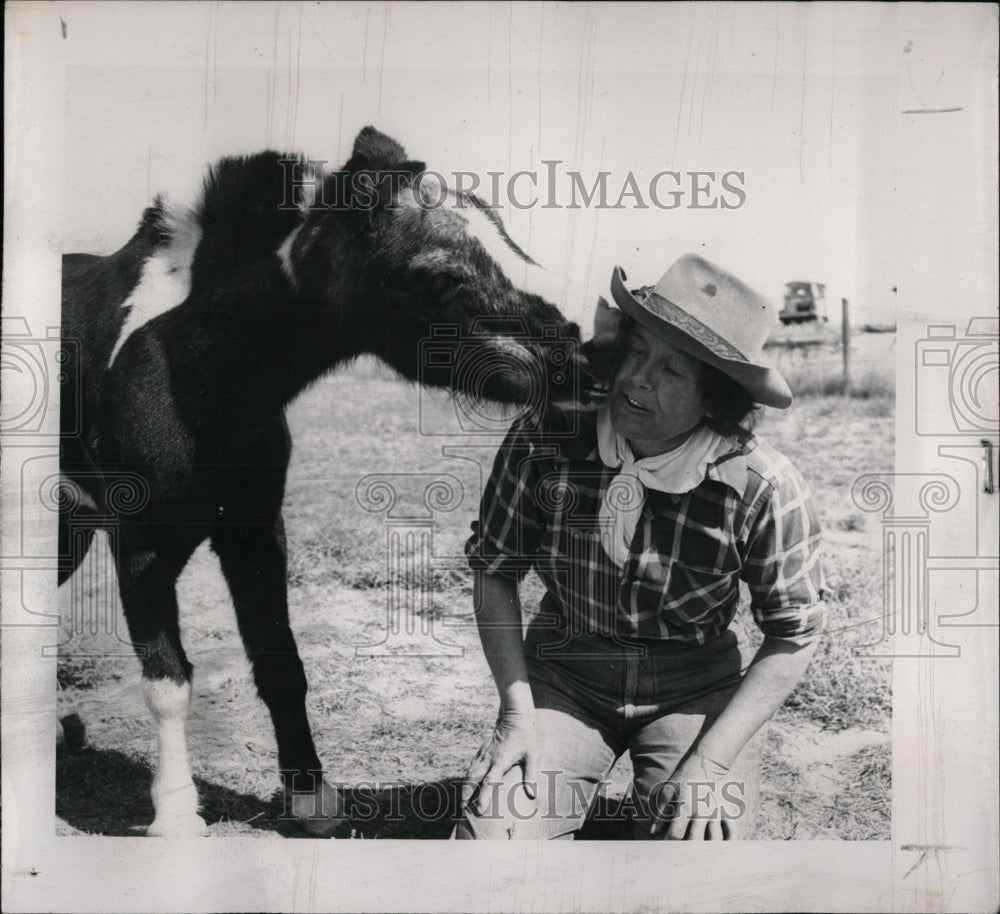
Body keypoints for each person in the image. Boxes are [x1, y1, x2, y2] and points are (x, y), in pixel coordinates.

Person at [454, 253, 825, 840]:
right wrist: (516, 713)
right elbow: (494, 570)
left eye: (673, 370)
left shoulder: (764, 486)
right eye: (636, 351)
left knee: (700, 852)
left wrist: (712, 761)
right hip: (565, 670)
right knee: (491, 839)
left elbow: (794, 631)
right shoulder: (544, 439)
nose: (638, 378)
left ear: (716, 399)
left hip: (695, 685)